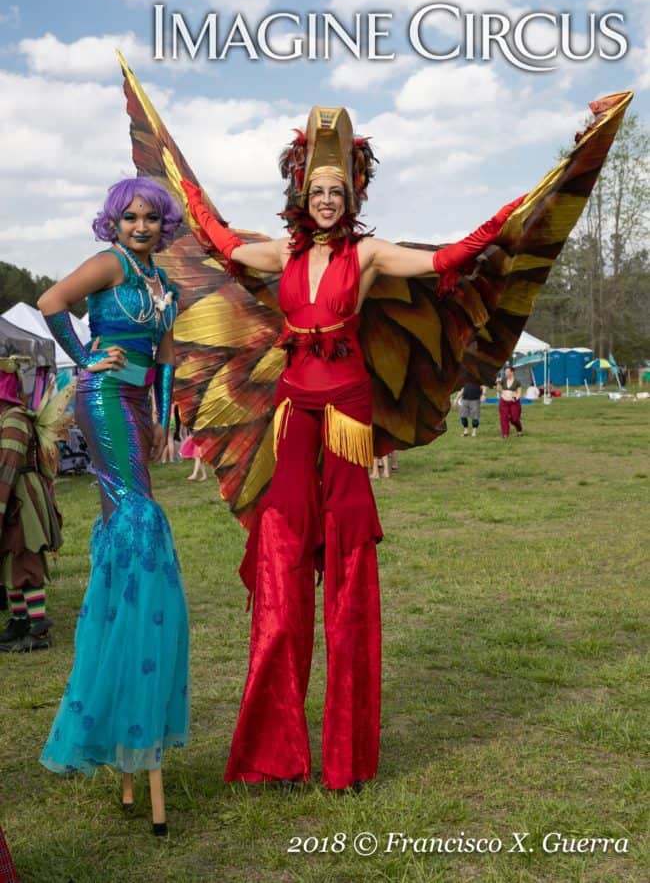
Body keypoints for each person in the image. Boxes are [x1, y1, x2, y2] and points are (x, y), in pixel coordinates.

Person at [181, 106, 525, 790]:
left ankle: (345, 754)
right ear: (301, 195)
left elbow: (446, 261)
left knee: (345, 557)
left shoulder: (366, 255)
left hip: (345, 404)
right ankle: (273, 750)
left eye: (338, 192)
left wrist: (515, 210)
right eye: (318, 191)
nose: (328, 201)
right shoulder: (282, 253)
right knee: (281, 548)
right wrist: (180, 184)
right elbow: (220, 242)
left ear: (353, 196)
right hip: (292, 406)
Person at [37, 177, 189, 836]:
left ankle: (128, 671)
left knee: (134, 524)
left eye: (150, 217)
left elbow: (162, 364)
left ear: (164, 225)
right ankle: (128, 655)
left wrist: (159, 421)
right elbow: (49, 302)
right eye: (129, 216)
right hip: (101, 398)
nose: (140, 226)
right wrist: (85, 360)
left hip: (136, 404)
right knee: (140, 523)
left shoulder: (165, 286)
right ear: (114, 222)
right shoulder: (109, 266)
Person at [0, 357, 63, 653]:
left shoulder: (13, 418)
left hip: (22, 498)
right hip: (15, 496)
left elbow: (7, 466)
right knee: (11, 560)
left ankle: (37, 630)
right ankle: (19, 621)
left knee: (26, 559)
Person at [497, 365, 523, 438]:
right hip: (504, 402)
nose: (506, 373)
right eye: (505, 372)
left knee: (514, 419)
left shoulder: (517, 381)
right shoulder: (503, 380)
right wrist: (498, 384)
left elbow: (519, 392)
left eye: (508, 371)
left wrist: (515, 398)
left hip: (514, 402)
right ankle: (505, 434)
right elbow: (499, 390)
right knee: (504, 418)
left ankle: (519, 429)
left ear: (512, 372)